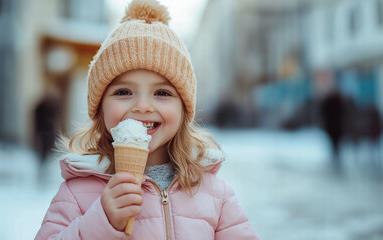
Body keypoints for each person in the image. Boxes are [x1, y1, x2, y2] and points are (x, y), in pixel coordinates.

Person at [35, 0, 260, 239]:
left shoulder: (216, 195)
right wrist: (101, 222)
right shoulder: (77, 194)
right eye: (123, 92)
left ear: (184, 110)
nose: (142, 106)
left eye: (162, 93)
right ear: (99, 108)